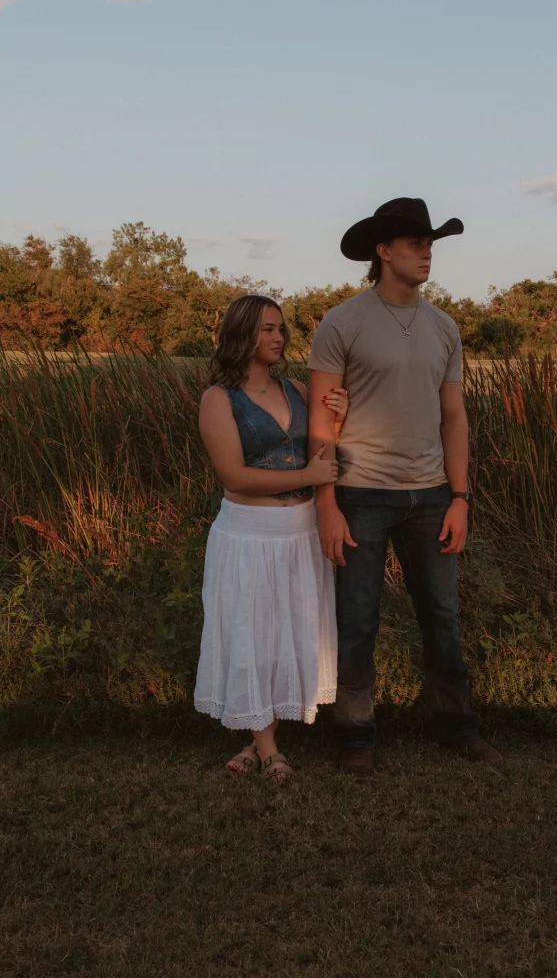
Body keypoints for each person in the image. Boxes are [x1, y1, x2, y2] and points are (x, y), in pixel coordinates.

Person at [307, 197, 502, 778]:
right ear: (383, 250)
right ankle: (355, 736)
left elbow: (454, 417)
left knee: (441, 615)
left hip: (432, 495)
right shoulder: (342, 322)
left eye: (431, 245)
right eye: (417, 244)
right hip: (360, 492)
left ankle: (457, 727)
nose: (427, 254)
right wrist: (326, 502)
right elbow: (321, 420)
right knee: (358, 617)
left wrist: (461, 498)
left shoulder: (445, 327)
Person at [194, 294, 348, 783]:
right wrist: (307, 471)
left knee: (287, 638)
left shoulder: (298, 389)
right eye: (267, 329)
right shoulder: (218, 399)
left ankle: (256, 741)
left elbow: (323, 453)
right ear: (242, 335)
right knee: (251, 637)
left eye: (281, 329)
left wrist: (336, 422)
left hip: (299, 532)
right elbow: (235, 476)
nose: (278, 338)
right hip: (247, 535)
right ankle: (270, 750)